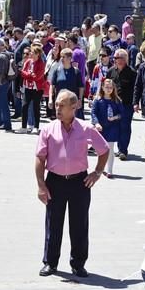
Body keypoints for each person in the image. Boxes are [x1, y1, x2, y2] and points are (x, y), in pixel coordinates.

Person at [35, 90, 109, 278]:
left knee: (79, 224)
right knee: (53, 223)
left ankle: (78, 263)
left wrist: (97, 172)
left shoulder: (85, 129)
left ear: (74, 108)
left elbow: (104, 150)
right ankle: (50, 263)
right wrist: (41, 185)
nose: (57, 107)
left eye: (61, 105)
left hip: (79, 182)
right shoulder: (48, 129)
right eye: (56, 104)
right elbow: (40, 158)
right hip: (55, 181)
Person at [106, 49, 137, 161]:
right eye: (114, 58)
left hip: (127, 104)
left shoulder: (132, 73)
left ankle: (123, 150)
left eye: (116, 58)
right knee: (116, 127)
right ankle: (119, 148)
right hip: (113, 104)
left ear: (124, 59)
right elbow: (105, 86)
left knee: (125, 127)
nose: (114, 60)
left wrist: (136, 103)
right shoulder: (111, 71)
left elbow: (136, 89)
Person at [91, 79, 123, 178]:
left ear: (113, 89)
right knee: (101, 149)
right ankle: (101, 167)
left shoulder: (117, 101)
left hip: (112, 127)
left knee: (110, 149)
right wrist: (96, 123)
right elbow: (93, 113)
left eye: (111, 87)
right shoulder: (98, 100)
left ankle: (110, 170)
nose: (109, 89)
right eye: (107, 87)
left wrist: (115, 117)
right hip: (101, 128)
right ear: (102, 88)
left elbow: (122, 113)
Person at [51, 48, 85, 119]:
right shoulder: (57, 71)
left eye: (63, 57)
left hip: (72, 103)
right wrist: (50, 99)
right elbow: (52, 86)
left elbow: (81, 87)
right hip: (60, 102)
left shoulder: (76, 72)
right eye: (61, 57)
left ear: (70, 58)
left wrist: (80, 99)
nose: (61, 59)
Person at [19, 46, 46, 134]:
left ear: (38, 54)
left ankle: (36, 127)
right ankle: (23, 127)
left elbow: (37, 77)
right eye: (31, 52)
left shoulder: (41, 63)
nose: (31, 54)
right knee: (24, 106)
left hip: (37, 89)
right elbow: (22, 73)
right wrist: (30, 75)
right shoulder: (28, 61)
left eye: (33, 53)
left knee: (36, 107)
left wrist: (29, 75)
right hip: (27, 87)